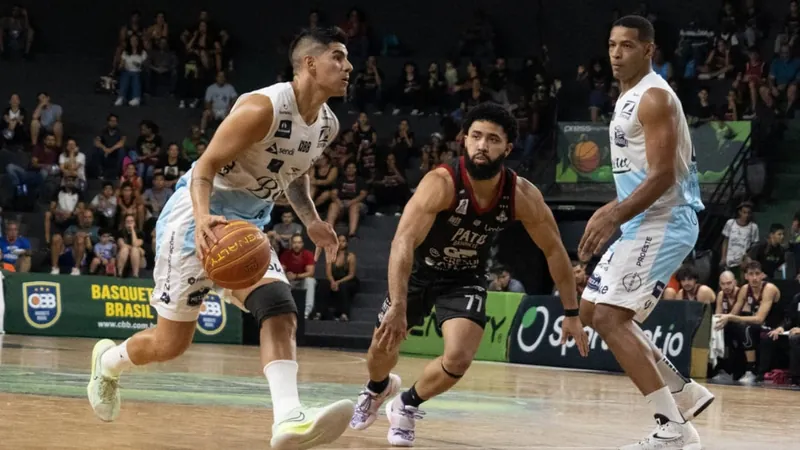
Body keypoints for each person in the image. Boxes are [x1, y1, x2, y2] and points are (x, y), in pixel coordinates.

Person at [86, 27, 355, 450]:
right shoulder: (260, 108)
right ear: (309, 64)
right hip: (196, 218)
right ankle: (107, 363)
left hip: (247, 229)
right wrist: (202, 219)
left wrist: (311, 219)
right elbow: (206, 166)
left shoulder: (327, 126)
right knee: (170, 345)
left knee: (279, 309)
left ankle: (288, 420)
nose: (348, 67)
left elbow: (296, 171)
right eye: (338, 57)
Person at [348, 102, 589, 446]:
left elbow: (553, 250)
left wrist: (571, 312)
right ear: (464, 140)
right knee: (380, 351)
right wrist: (398, 304)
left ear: (507, 148)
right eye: (476, 136)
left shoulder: (522, 195)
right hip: (418, 272)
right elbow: (402, 241)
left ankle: (406, 403)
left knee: (459, 357)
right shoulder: (441, 183)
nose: (482, 145)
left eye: (492, 139)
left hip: (465, 277)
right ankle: (377, 387)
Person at [577, 16, 712, 450]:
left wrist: (614, 215)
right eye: (613, 44)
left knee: (612, 318)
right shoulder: (627, 97)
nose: (617, 53)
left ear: (648, 49)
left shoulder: (653, 97)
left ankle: (674, 429)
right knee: (589, 311)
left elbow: (664, 176)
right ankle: (682, 391)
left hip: (665, 219)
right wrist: (616, 211)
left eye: (628, 46)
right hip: (643, 220)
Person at [714, 261, 780, 384]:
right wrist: (724, 319)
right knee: (725, 327)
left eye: (757, 274)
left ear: (762, 275)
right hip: (756, 325)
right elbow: (733, 314)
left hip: (774, 326)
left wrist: (731, 318)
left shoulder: (769, 289)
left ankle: (751, 371)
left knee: (746, 329)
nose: (754, 278)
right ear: (746, 276)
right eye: (751, 274)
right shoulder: (745, 289)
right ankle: (726, 370)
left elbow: (760, 318)